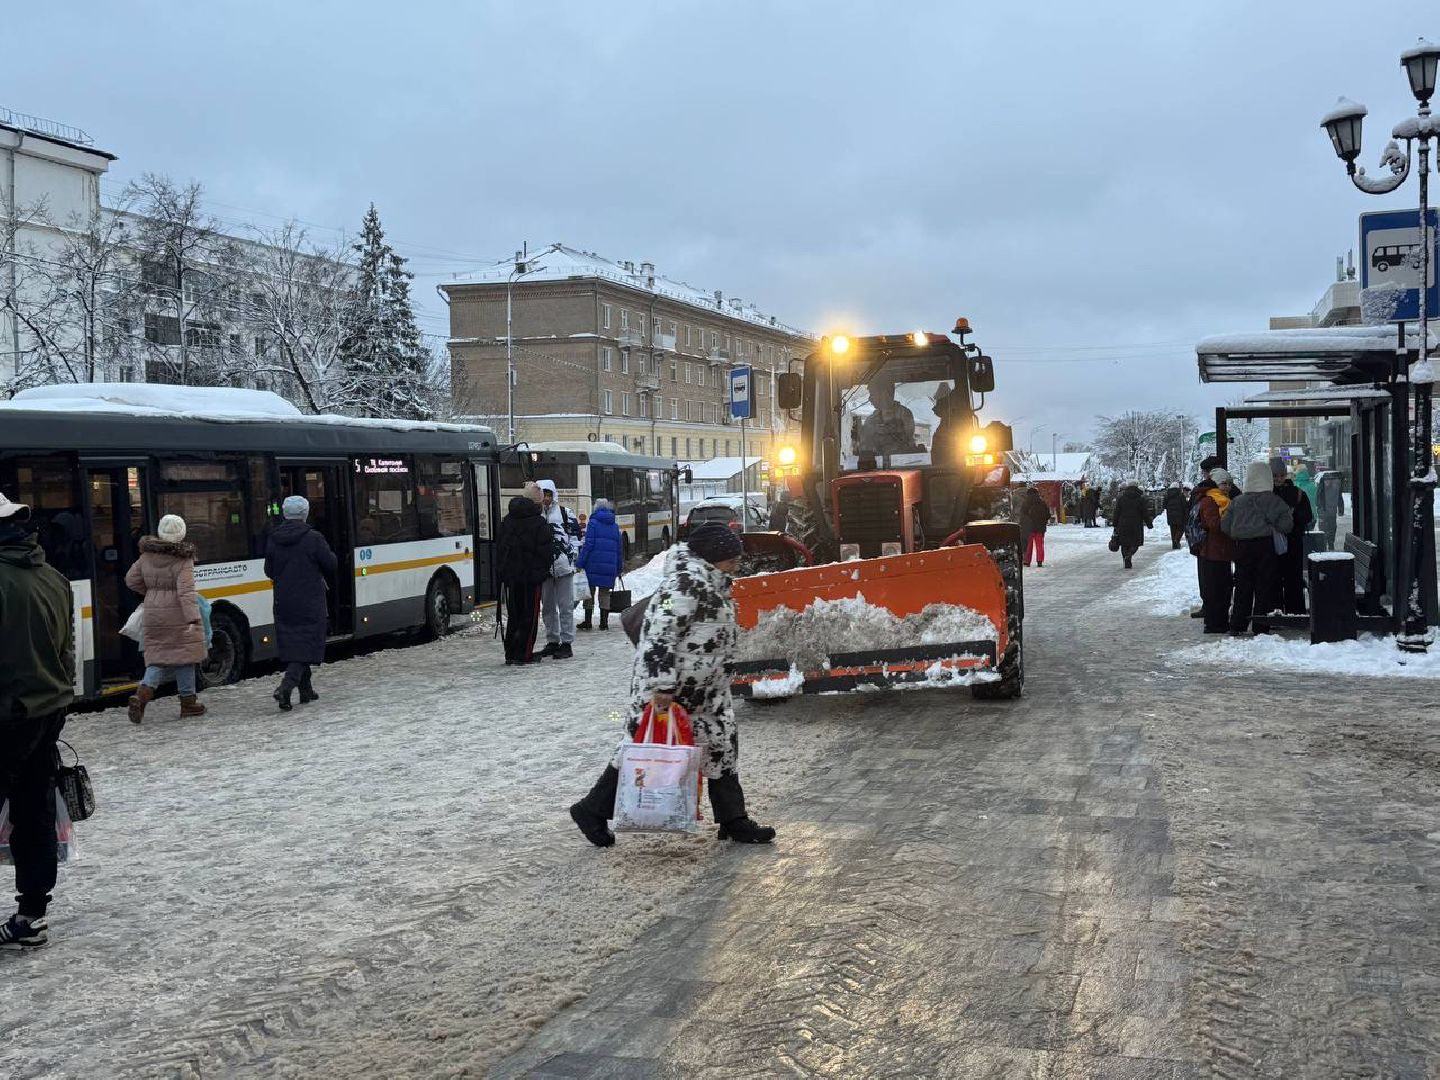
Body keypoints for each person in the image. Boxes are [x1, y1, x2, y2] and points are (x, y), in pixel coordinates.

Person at [570, 521, 775, 848]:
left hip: (706, 695)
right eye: (731, 555)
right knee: (642, 752)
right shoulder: (685, 585)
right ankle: (591, 810)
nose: (737, 562)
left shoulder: (711, 584)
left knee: (722, 749)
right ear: (712, 556)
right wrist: (662, 688)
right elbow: (658, 640)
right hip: (672, 694)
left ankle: (734, 820)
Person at [0, 492, 74, 949]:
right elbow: (66, 652)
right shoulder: (53, 577)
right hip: (48, 713)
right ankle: (32, 915)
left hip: (7, 714)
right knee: (33, 812)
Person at [125, 514, 208, 722]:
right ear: (181, 533)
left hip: (153, 612)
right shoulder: (183, 559)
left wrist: (152, 592)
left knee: (156, 657)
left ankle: (141, 695)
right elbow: (186, 592)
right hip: (178, 613)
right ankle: (188, 703)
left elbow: (130, 580)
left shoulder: (146, 556)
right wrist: (193, 619)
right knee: (185, 657)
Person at [264, 496, 338, 711]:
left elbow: (268, 570)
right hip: (310, 600)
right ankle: (285, 688)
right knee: (308, 644)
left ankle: (306, 689)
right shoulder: (314, 538)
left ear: (285, 514)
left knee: (295, 642)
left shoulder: (273, 538)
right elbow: (331, 564)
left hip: (283, 600)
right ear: (305, 514)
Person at [1221, 461, 1294, 635]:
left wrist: (1240, 532)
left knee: (1242, 585)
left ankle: (1237, 624)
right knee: (1264, 585)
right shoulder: (1273, 500)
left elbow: (1225, 526)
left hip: (1242, 547)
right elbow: (1286, 526)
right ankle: (1261, 625)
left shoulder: (1237, 501)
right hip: (1265, 546)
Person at [495, 483, 552, 665]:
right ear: (538, 502)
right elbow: (545, 553)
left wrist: (503, 571)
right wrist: (540, 572)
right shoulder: (539, 523)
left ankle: (510, 652)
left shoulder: (508, 520)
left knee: (514, 614)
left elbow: (500, 547)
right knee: (530, 616)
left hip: (512, 577)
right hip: (531, 578)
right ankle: (524, 653)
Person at [536, 479, 578, 660]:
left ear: (553, 495)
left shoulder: (565, 513)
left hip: (564, 567)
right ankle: (552, 641)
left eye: (548, 494)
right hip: (544, 568)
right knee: (548, 608)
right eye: (542, 494)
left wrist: (572, 557)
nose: (545, 498)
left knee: (565, 606)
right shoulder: (536, 515)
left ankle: (567, 642)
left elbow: (576, 537)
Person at [1193, 468, 1237, 634]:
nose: (1226, 487)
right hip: (1213, 552)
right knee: (1216, 590)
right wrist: (1232, 520)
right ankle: (1214, 624)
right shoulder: (1210, 500)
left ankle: (1220, 622)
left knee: (1224, 588)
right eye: (1223, 484)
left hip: (1222, 551)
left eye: (1228, 484)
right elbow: (1214, 525)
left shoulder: (1224, 500)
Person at [1271, 458, 1315, 615]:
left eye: (1281, 475)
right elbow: (1307, 516)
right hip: (1287, 541)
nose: (1278, 479)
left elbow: (1308, 515)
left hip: (1287, 541)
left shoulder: (1295, 493)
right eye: (1275, 475)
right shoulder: (1295, 493)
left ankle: (1288, 612)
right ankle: (1290, 611)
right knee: (1284, 577)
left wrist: (1291, 519)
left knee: (1288, 578)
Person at [576, 498, 624, 631]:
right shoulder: (614, 526)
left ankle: (588, 621)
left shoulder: (593, 523)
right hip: (609, 565)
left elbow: (588, 544)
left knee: (589, 593)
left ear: (595, 508)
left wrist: (580, 562)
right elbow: (619, 549)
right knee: (604, 594)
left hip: (593, 564)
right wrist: (619, 568)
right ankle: (604, 623)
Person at [856, 371, 918, 459]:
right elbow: (864, 449)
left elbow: (908, 443)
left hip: (902, 465)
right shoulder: (871, 420)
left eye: (872, 394)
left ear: (884, 393)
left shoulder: (904, 414)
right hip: (876, 468)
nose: (869, 398)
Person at [1110, 481, 1153, 569]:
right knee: (1135, 543)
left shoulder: (1121, 498)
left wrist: (1115, 523)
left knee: (1124, 543)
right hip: (1136, 525)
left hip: (1123, 524)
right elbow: (1144, 513)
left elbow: (1117, 512)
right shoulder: (1140, 499)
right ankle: (1129, 555)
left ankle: (1126, 557)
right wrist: (1149, 524)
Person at [1018, 485, 1050, 568]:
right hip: (1040, 527)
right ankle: (1039, 561)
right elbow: (1048, 515)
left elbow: (1023, 515)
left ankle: (1027, 561)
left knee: (1029, 545)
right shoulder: (1042, 502)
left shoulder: (1025, 503)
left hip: (1029, 528)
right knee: (1039, 545)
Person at [1315, 471, 1346, 551]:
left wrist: (1340, 509)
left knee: (1328, 528)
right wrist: (1340, 509)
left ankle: (1327, 544)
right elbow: (1339, 497)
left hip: (1327, 511)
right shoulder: (1333, 486)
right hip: (1328, 511)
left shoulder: (1327, 486)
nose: (1328, 482)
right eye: (1327, 481)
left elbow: (1318, 498)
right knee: (1329, 528)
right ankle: (1328, 544)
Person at [1162, 483, 1188, 550]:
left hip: (1170, 516)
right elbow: (1184, 506)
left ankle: (1174, 545)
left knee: (1173, 530)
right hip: (1180, 515)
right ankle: (1177, 540)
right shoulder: (1181, 495)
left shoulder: (1167, 495)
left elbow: (1164, 505)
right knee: (1181, 528)